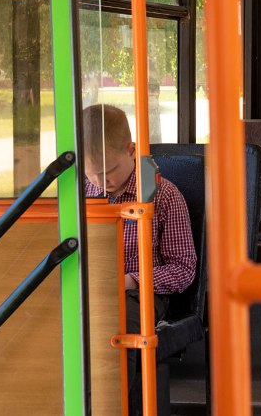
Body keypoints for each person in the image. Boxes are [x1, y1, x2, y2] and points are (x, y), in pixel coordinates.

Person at [82, 104, 196, 415]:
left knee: (116, 325)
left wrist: (131, 280)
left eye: (109, 171)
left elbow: (183, 269)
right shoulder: (80, 195)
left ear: (132, 151)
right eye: (92, 173)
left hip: (140, 293)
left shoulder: (163, 196)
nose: (101, 181)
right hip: (89, 288)